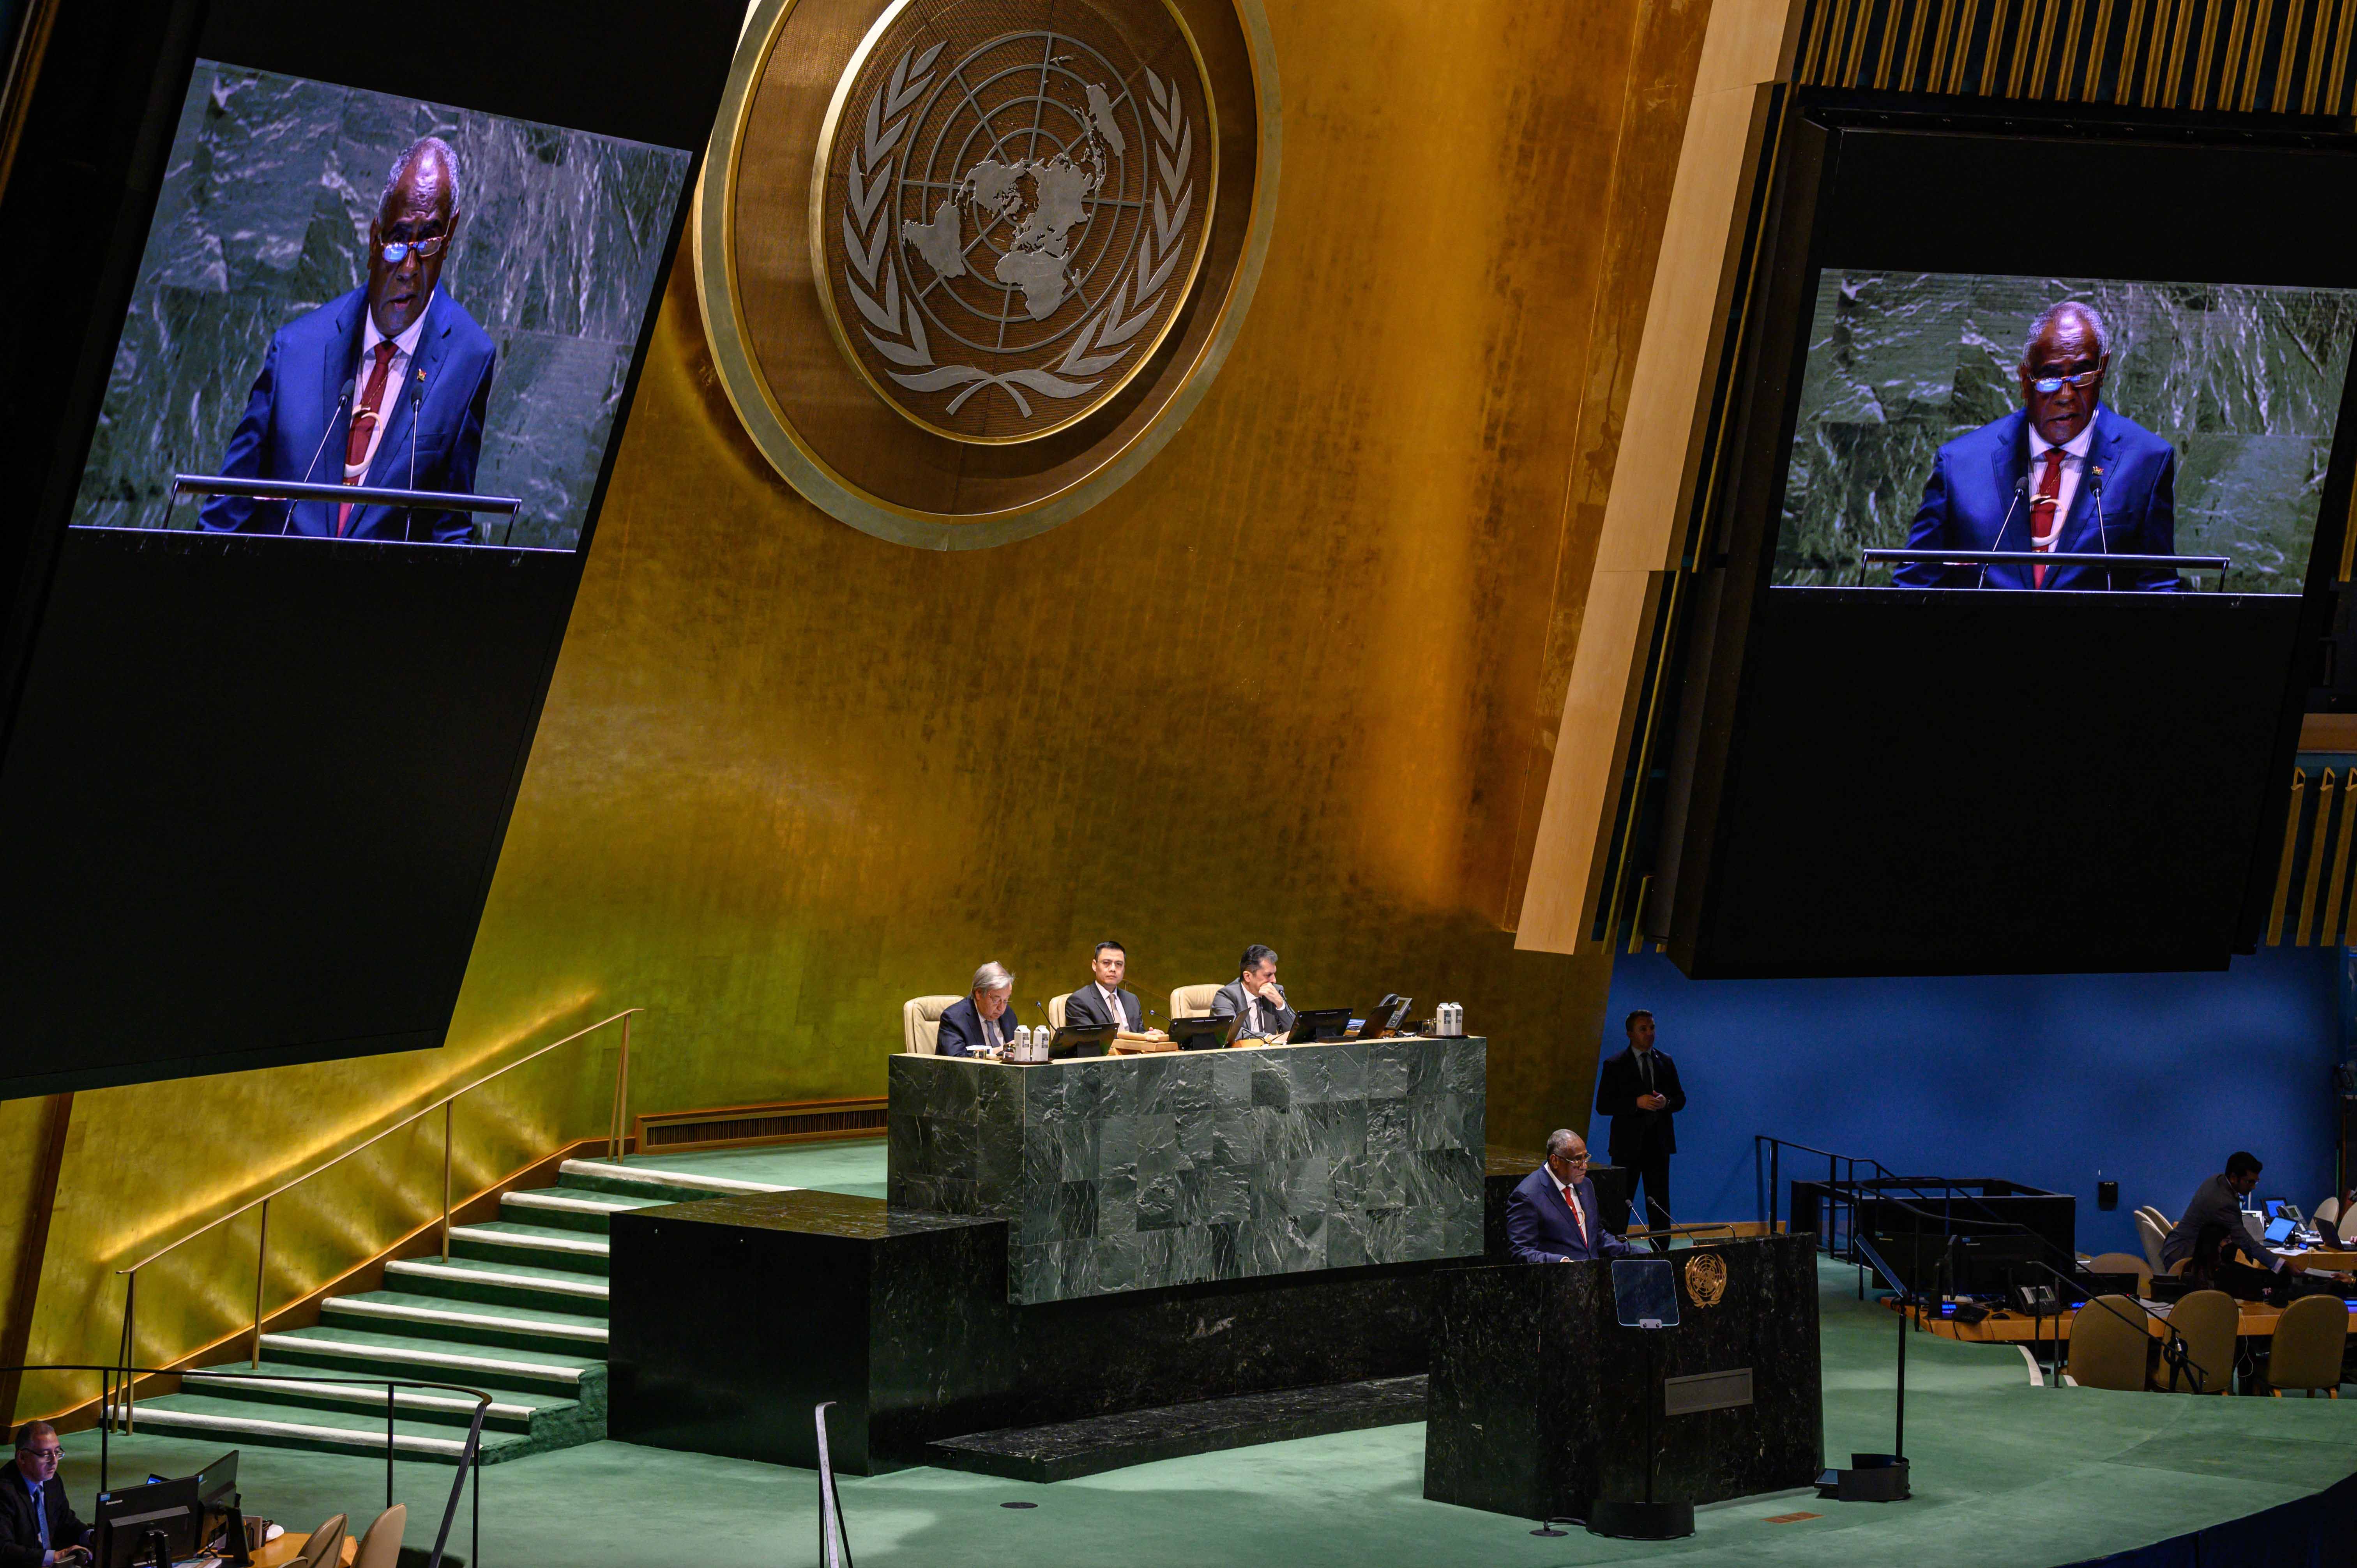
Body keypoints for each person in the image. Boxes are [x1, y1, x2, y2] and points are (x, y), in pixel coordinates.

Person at [201, 136, 496, 543]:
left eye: (428, 241)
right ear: (374, 239)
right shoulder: (297, 349)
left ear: (450, 236)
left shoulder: (468, 359)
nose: (409, 268)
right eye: (398, 240)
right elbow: (225, 511)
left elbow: (450, 529)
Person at [1894, 301, 2182, 591]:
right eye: (2051, 378)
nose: (2066, 395)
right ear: (2024, 380)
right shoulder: (1961, 464)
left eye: (2082, 375)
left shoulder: (2146, 462)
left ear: (2102, 370)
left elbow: (2157, 587)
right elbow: (1913, 584)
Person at [2161, 1150, 2313, 1301]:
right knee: (2253, 1280)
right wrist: (2284, 1264)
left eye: (2256, 1182)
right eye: (2250, 1182)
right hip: (2184, 1258)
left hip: (2180, 1248)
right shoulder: (2223, 1202)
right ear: (2234, 1178)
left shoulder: (2218, 1180)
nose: (2254, 1187)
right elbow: (2245, 1242)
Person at [1594, 1009, 1684, 1250]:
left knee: (1660, 1204)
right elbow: (1603, 1105)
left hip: (1659, 1144)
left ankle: (1662, 1253)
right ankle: (1615, 1254)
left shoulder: (1666, 1061)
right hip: (1627, 1146)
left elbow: (1681, 1099)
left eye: (1652, 1028)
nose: (1650, 1033)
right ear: (1630, 1033)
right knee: (1622, 1204)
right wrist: (1636, 1103)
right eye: (1644, 1029)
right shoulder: (1615, 1064)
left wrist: (1666, 1103)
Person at [1506, 1130, 1640, 1264]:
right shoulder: (1528, 1196)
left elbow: (1597, 1236)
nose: (1584, 1166)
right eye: (1577, 1160)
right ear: (1555, 1161)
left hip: (1592, 1276)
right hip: (1557, 1280)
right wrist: (1561, 1262)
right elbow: (1521, 1251)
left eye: (1585, 1158)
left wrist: (1634, 1252)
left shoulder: (1585, 1185)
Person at [0, 1421, 91, 1568]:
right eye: (45, 1455)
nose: (54, 1462)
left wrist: (90, 1536)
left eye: (57, 1452)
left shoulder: (52, 1481)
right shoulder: (4, 1492)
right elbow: (4, 1550)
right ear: (22, 1457)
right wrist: (55, 1556)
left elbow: (66, 1521)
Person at [1210, 944, 1294, 1042]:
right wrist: (1269, 1039)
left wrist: (1281, 1004)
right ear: (1248, 977)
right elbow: (1230, 1034)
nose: (1274, 980)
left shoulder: (1275, 992)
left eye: (1274, 973)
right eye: (1268, 975)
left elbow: (1296, 1034)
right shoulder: (1226, 996)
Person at [936, 962, 1016, 1058]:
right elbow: (956, 1059)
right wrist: (998, 1051)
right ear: (979, 993)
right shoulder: (954, 1019)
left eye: (1006, 1000)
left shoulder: (1008, 1015)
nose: (1002, 1008)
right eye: (996, 1000)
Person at [1064, 940, 1143, 1032]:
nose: (1113, 969)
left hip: (1134, 1047)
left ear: (1124, 969)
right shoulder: (1079, 1001)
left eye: (1119, 964)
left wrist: (1148, 1036)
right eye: (1106, 963)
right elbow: (1091, 1041)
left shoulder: (1132, 1000)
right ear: (1095, 965)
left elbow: (1140, 1033)